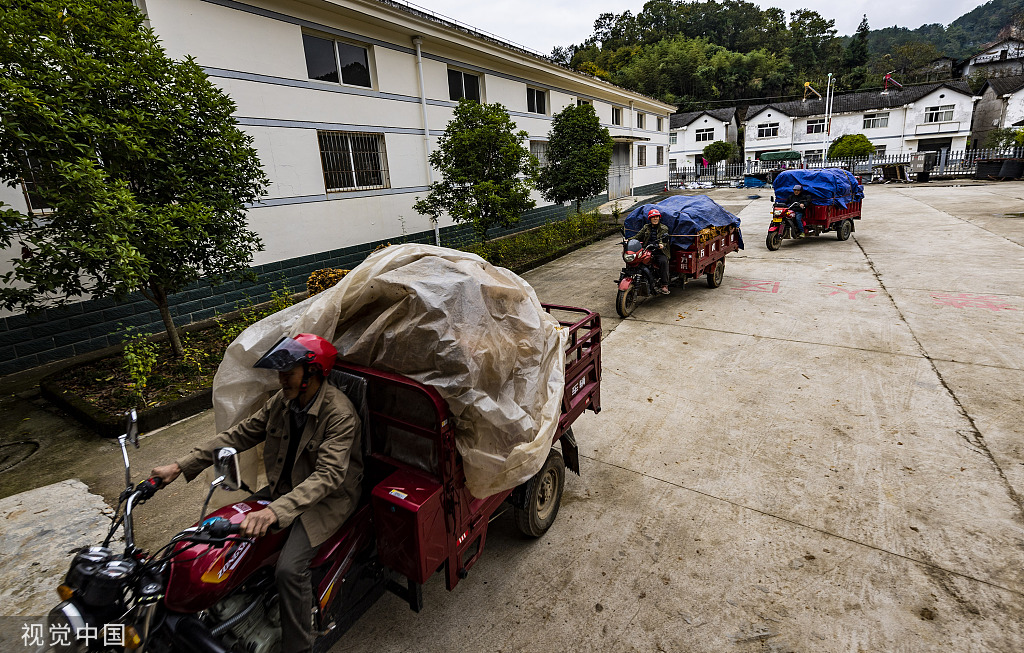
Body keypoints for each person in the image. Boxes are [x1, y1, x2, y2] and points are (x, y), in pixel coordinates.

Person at [151, 333, 362, 653]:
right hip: (285, 489)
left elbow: (328, 476)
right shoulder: (283, 403)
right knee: (216, 538)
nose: (282, 380)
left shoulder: (339, 414)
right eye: (280, 373)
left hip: (327, 500)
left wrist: (274, 511)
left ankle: (299, 646)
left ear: (313, 373)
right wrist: (179, 466)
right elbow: (239, 434)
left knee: (290, 570)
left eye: (288, 373)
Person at [633, 208, 671, 294]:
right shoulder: (646, 227)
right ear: (650, 218)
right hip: (647, 250)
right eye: (653, 217)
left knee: (663, 261)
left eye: (656, 217)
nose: (655, 218)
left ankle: (664, 284)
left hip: (660, 251)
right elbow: (638, 236)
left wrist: (661, 245)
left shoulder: (663, 228)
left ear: (659, 218)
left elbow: (663, 238)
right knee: (635, 259)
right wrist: (629, 240)